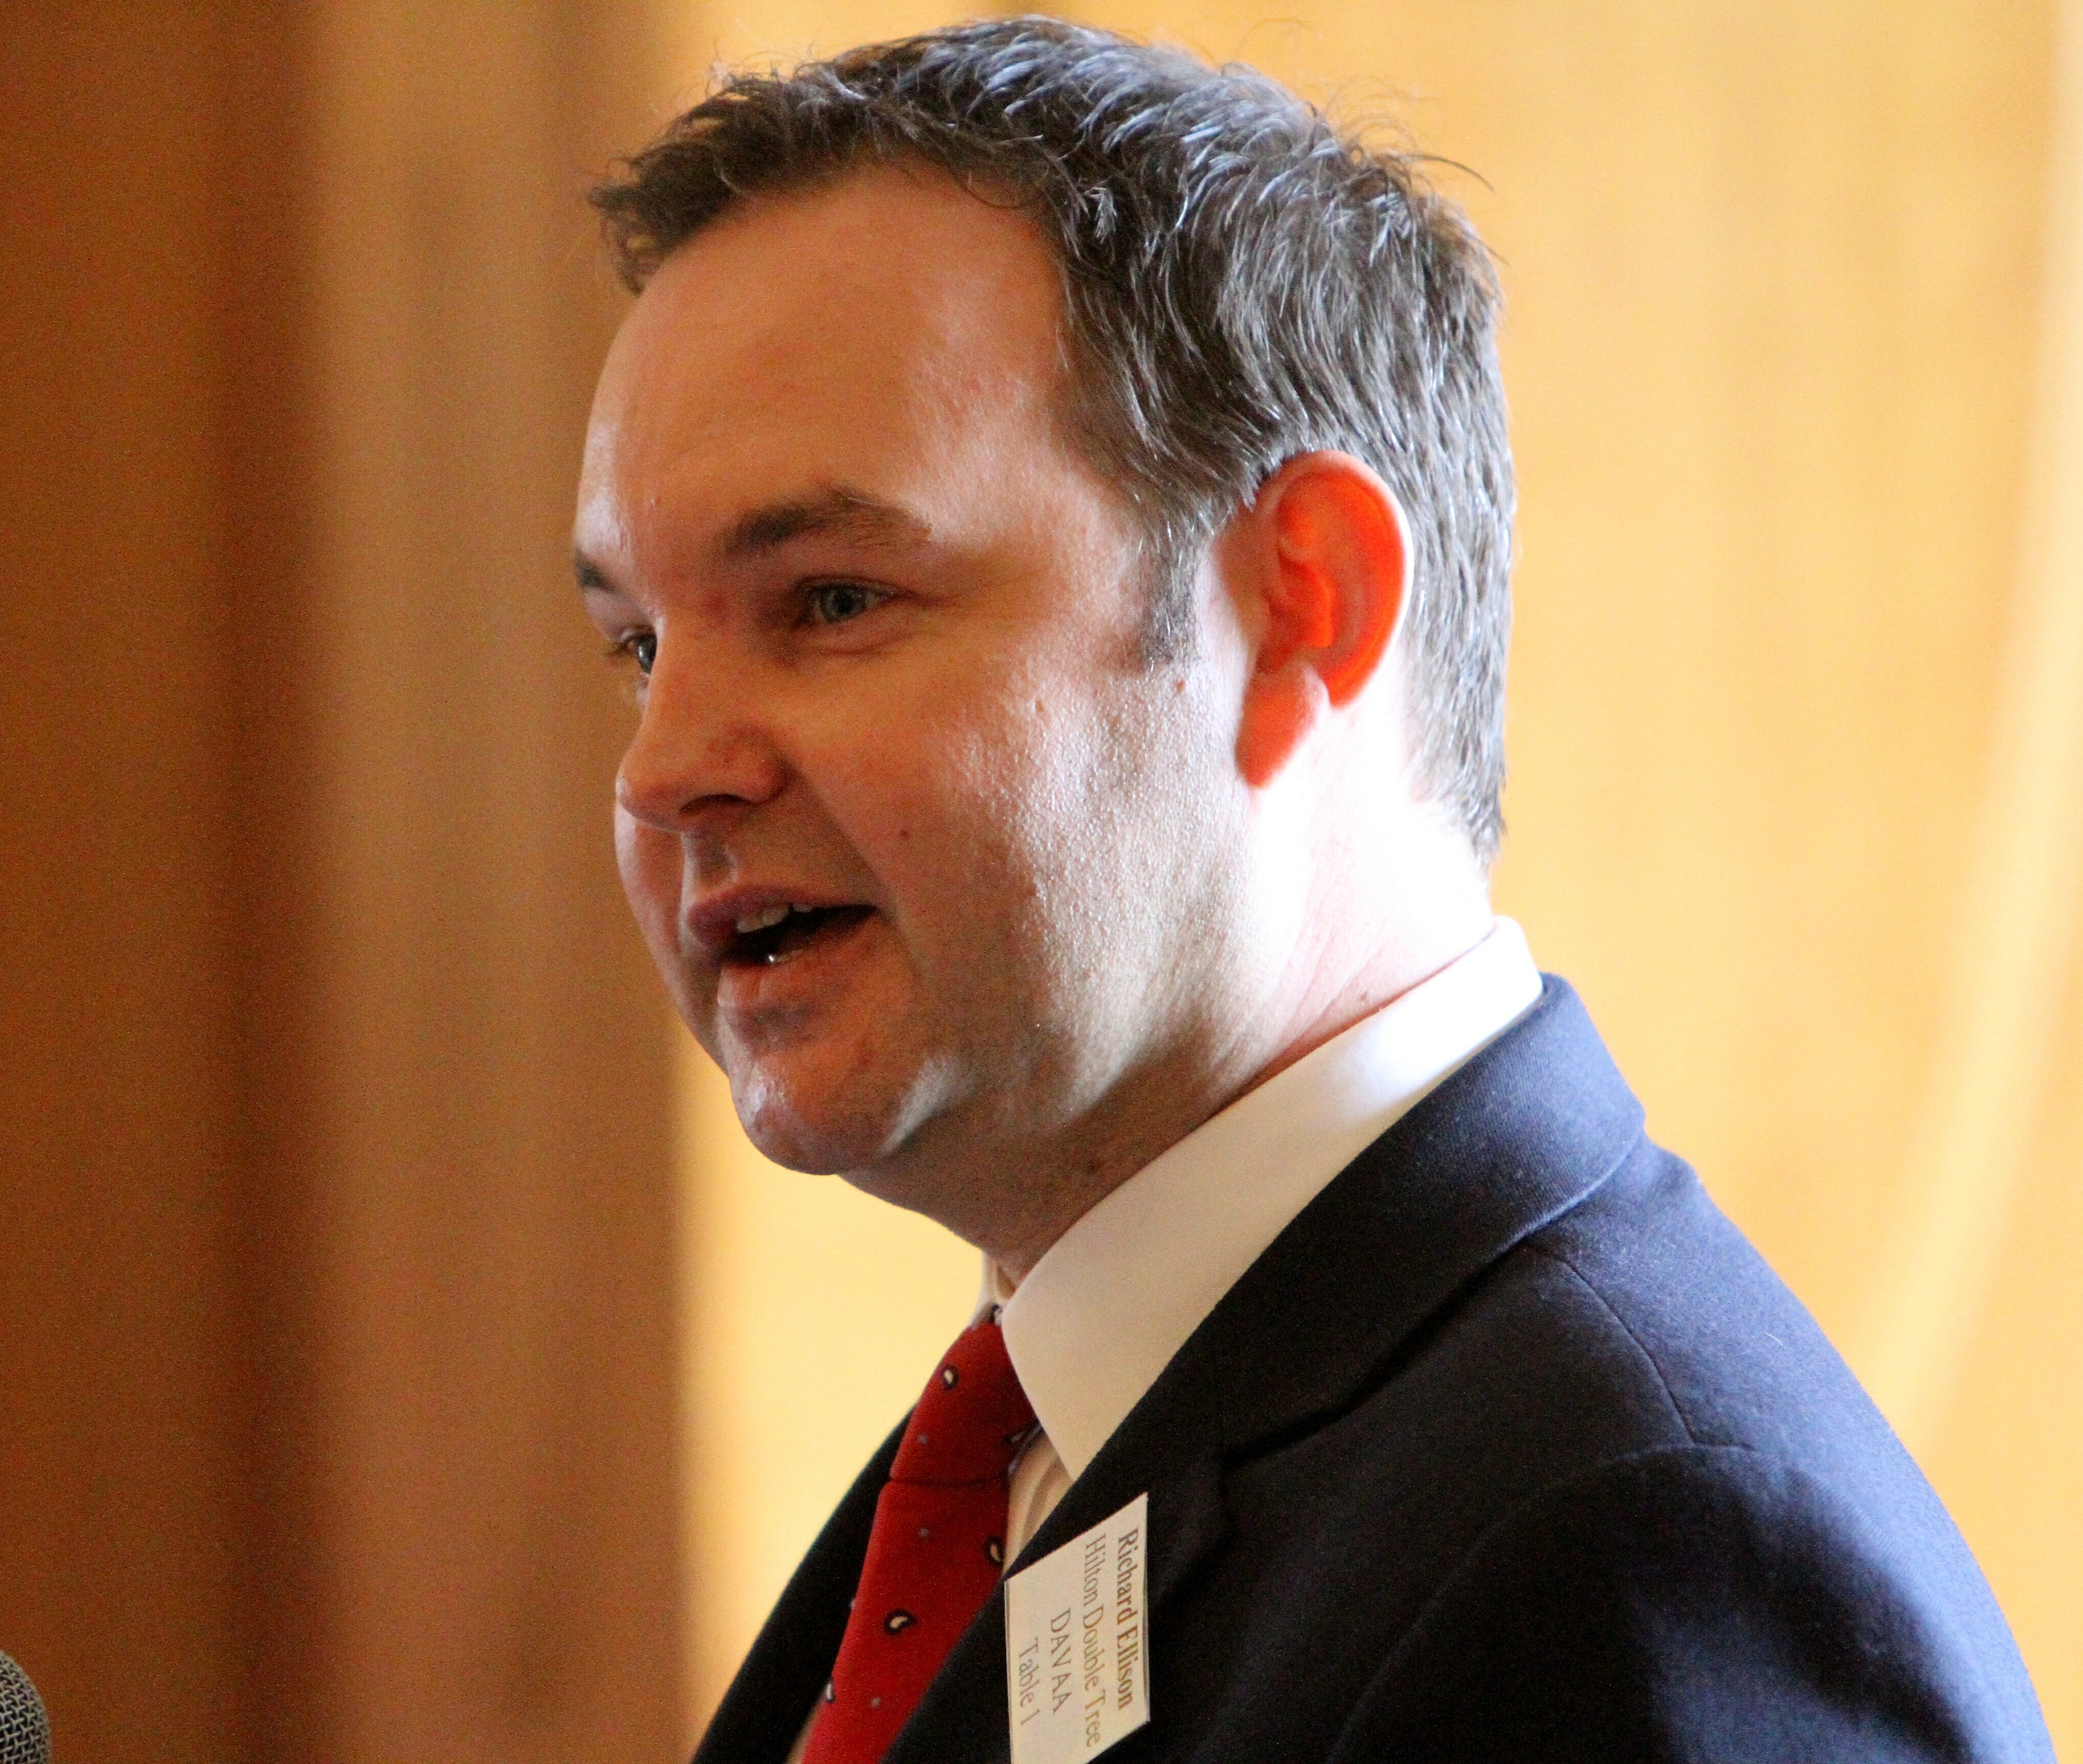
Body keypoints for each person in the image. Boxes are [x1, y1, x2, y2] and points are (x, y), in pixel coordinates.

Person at [573, 19, 2050, 1763]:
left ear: (1303, 607)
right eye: (637, 642)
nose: (667, 768)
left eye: (830, 600)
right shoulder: (1057, 1454)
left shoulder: (1642, 1556)